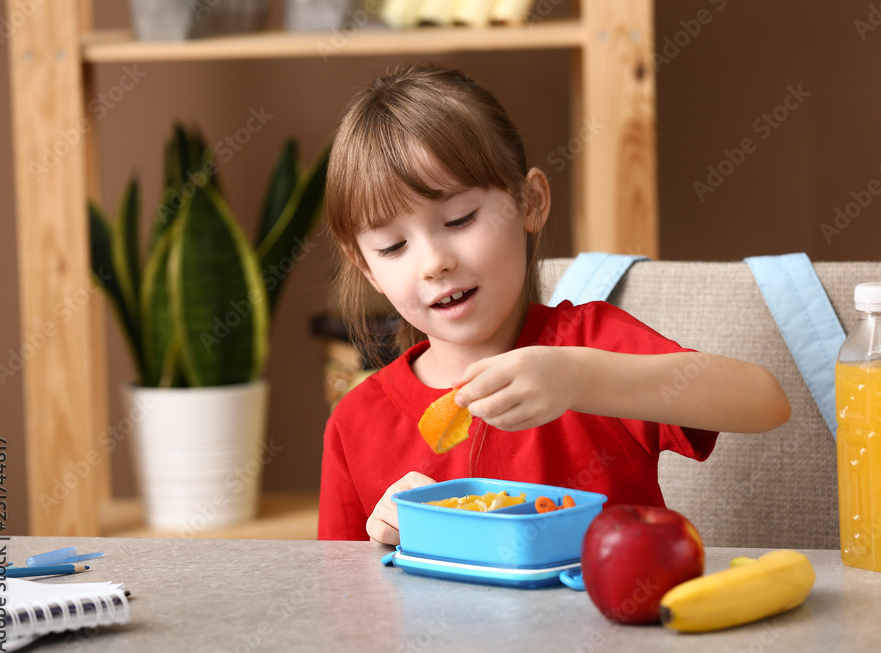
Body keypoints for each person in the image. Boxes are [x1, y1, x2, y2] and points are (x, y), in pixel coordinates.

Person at [318, 64, 790, 543]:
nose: (433, 263)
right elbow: (341, 597)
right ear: (365, 268)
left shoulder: (590, 344)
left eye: (459, 219)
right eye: (393, 247)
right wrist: (383, 542)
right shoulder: (355, 423)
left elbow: (765, 402)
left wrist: (579, 378)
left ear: (530, 202)